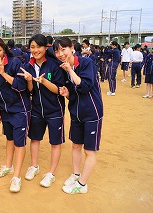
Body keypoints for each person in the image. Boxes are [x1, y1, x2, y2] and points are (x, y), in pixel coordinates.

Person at [53, 37, 103, 194]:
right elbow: (74, 93)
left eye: (63, 49)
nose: (60, 54)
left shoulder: (86, 63)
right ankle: (76, 174)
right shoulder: (63, 68)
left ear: (71, 47)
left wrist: (70, 70)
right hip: (76, 112)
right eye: (57, 51)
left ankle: (82, 185)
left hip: (91, 112)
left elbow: (85, 86)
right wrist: (67, 93)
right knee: (75, 145)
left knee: (89, 151)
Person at [17, 34, 65, 189]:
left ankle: (51, 173)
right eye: (32, 47)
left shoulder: (54, 65)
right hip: (36, 109)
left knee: (55, 142)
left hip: (55, 110)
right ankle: (34, 166)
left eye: (38, 46)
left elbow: (59, 90)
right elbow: (30, 91)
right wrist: (30, 80)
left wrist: (44, 81)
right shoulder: (28, 65)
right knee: (35, 139)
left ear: (45, 47)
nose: (35, 50)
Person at [0, 36, 31, 192]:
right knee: (9, 139)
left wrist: (3, 73)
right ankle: (8, 166)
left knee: (19, 142)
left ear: (4, 49)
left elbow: (21, 86)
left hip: (20, 109)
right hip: (5, 109)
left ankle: (16, 177)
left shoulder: (14, 63)